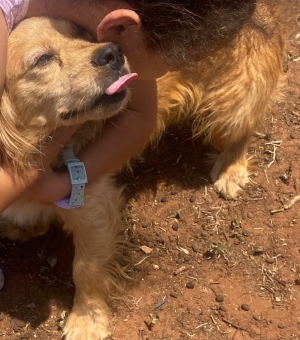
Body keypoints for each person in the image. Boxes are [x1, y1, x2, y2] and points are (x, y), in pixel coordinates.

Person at [0, 0, 257, 212]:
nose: (187, 68)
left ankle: (237, 147)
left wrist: (64, 183)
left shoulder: (103, 19)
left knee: (236, 117)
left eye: (82, 36)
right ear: (122, 26)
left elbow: (141, 114)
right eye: (179, 60)